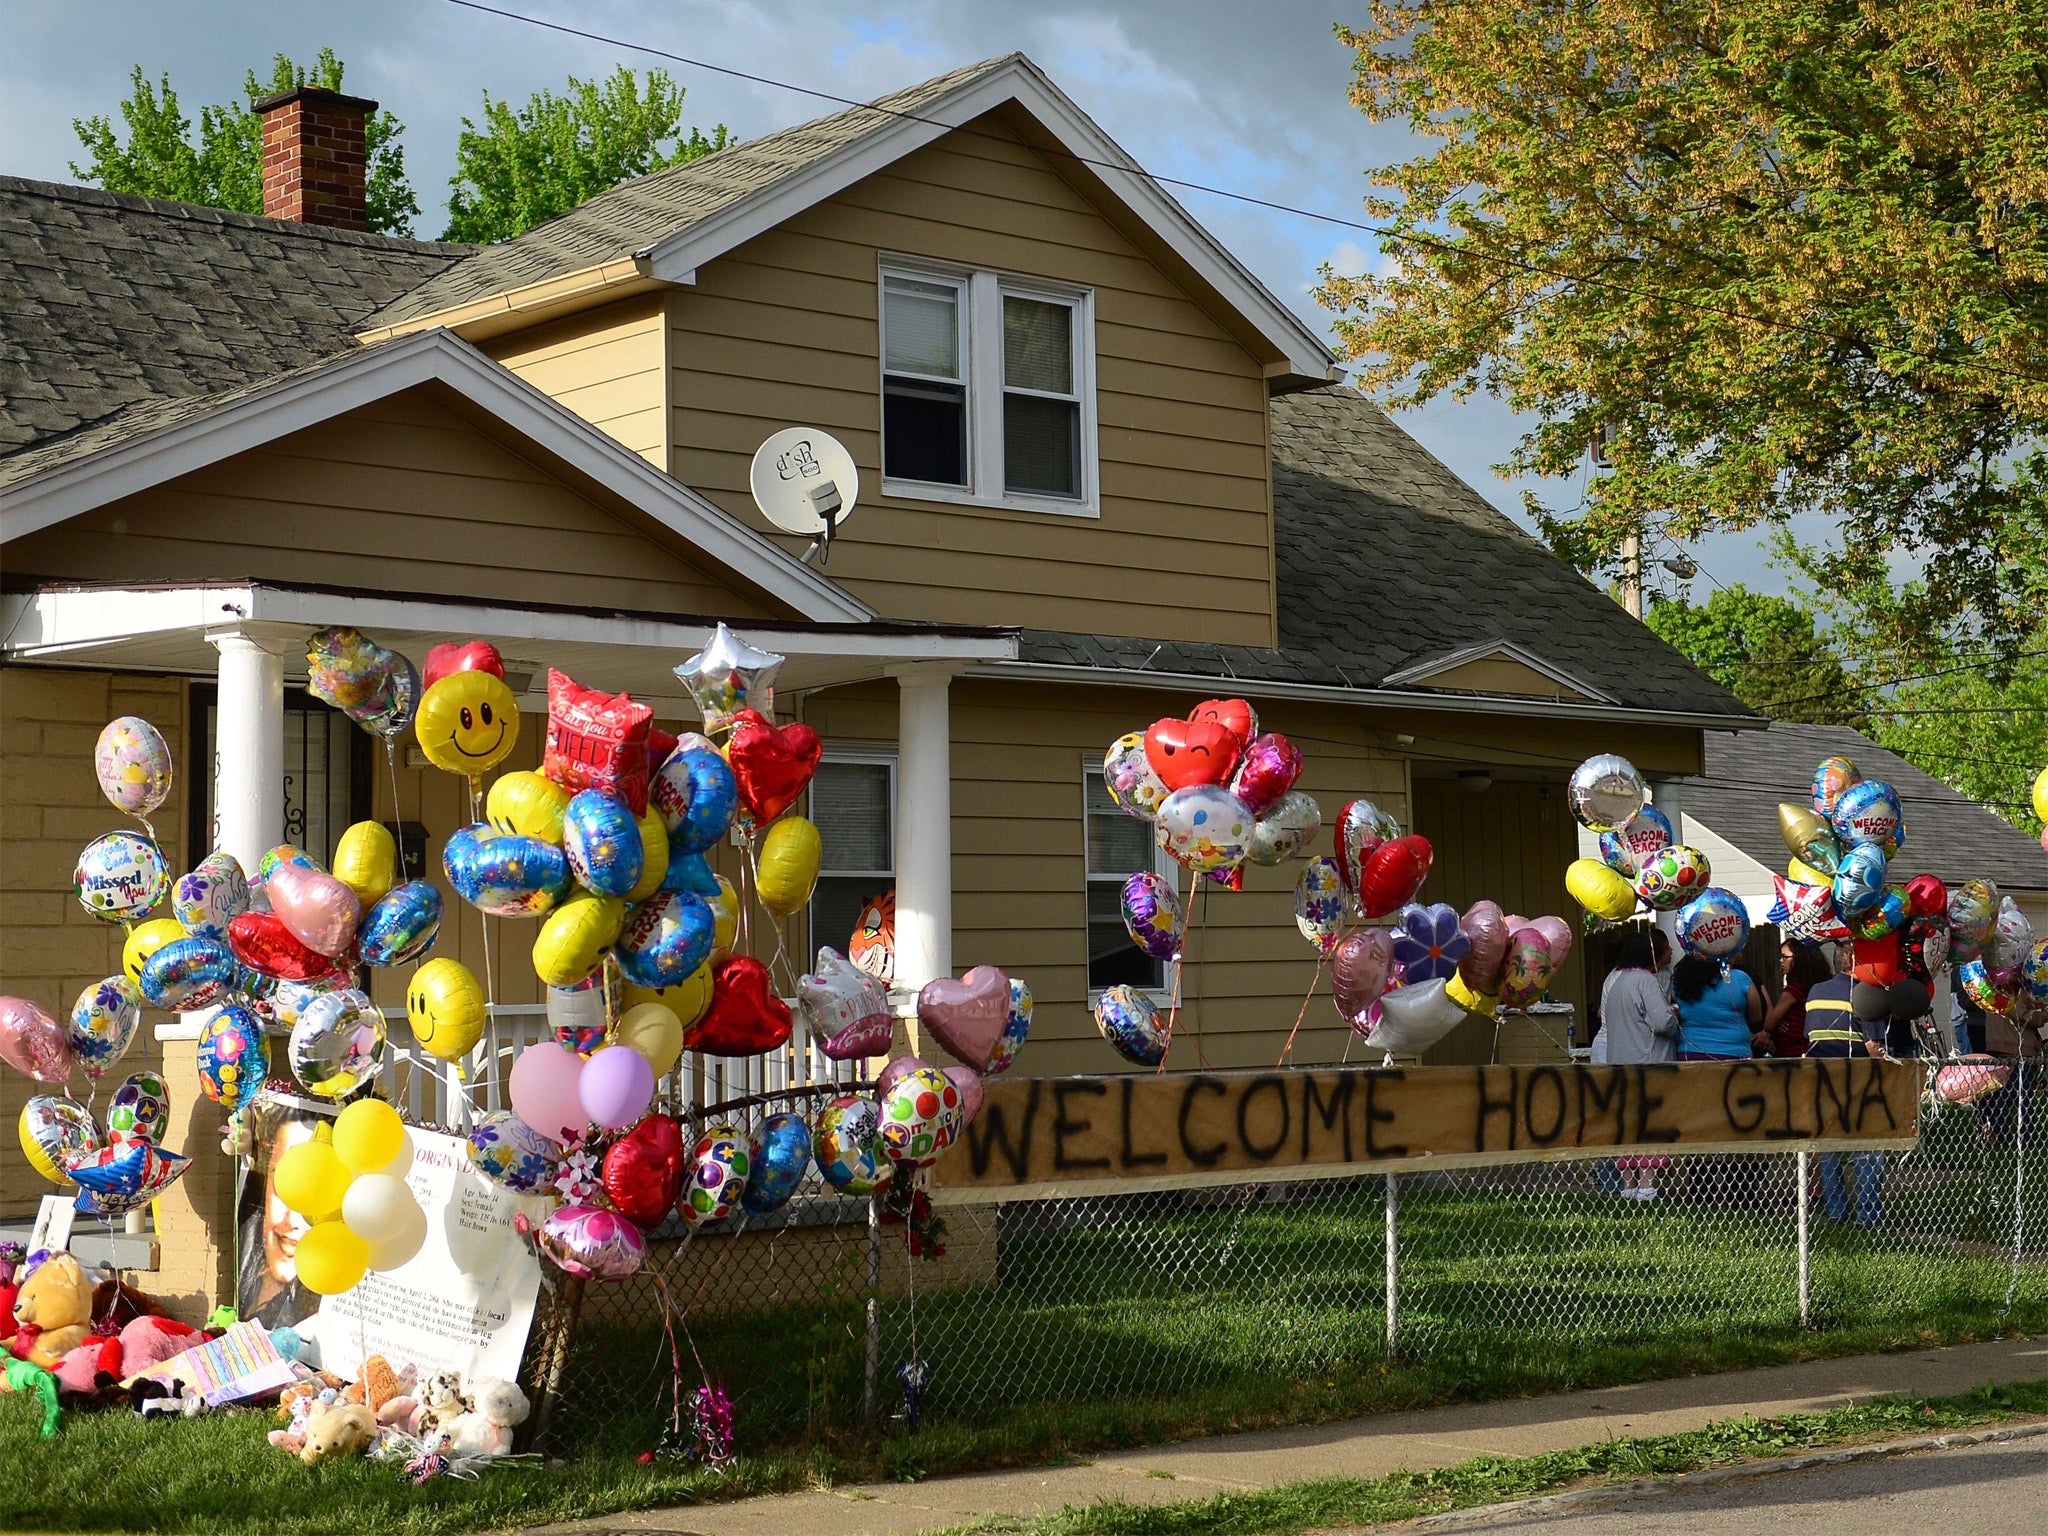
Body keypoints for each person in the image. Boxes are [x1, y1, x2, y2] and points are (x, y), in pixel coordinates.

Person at [1807, 943, 1883, 1228]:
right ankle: (1868, 1216)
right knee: (1868, 1150)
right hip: (1858, 1081)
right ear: (1856, 962)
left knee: (1828, 1150)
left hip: (1821, 1080)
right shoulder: (1864, 993)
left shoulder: (1815, 993)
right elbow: (1873, 1047)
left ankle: (1836, 1211)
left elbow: (1812, 1035)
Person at [1598, 927, 1678, 1200]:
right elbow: (1662, 1022)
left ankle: (1629, 1185)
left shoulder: (1617, 981)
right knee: (1650, 1124)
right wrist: (1675, 1017)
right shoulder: (1645, 981)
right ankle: (1648, 1185)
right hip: (1649, 1064)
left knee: (1627, 1125)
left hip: (1620, 1065)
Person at [235, 1096, 328, 1330]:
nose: (292, 1221)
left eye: (313, 1192)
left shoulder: (321, 1326)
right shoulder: (247, 1283)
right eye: (282, 1185)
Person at [1671, 953, 1767, 1060]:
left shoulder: (1682, 980)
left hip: (1689, 1052)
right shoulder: (1740, 978)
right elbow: (1756, 1017)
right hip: (1734, 1054)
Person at [1764, 941, 1830, 1059]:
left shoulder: (1793, 991)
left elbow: (1769, 1025)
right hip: (1812, 1049)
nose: (1781, 960)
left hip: (1791, 1053)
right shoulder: (1819, 987)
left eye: (1785, 957)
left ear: (1799, 959)